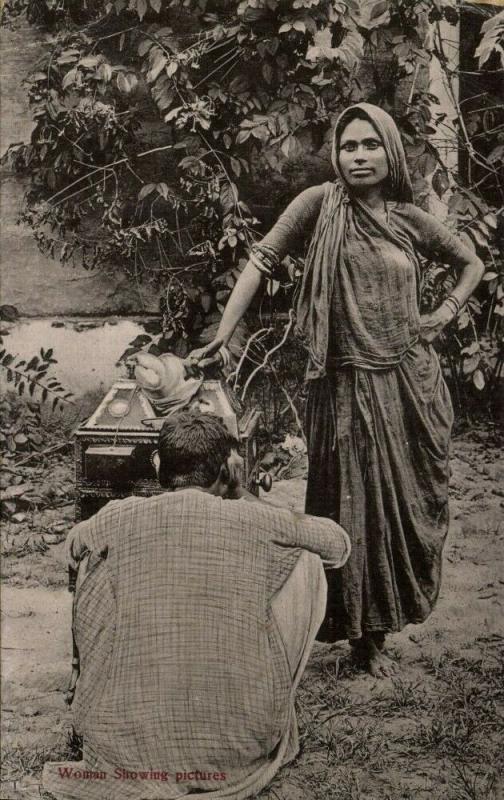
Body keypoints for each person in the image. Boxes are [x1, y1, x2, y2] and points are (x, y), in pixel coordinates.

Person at [188, 103, 485, 677]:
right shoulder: (318, 206)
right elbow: (260, 260)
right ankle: (360, 637)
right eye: (348, 146)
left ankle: (383, 623)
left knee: (403, 505)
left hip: (406, 383)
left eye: (371, 145)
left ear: (391, 152)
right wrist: (222, 335)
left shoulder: (409, 219)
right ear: (336, 155)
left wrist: (443, 312)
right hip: (343, 385)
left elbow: (470, 262)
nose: (359, 156)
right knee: (352, 503)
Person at [43, 412, 350, 800]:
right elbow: (338, 546)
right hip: (238, 744)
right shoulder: (257, 518)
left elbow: (74, 545)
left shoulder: (122, 514)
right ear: (227, 470)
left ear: (158, 465)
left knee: (94, 559)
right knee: (306, 560)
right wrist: (242, 493)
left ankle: (113, 694)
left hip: (124, 746)